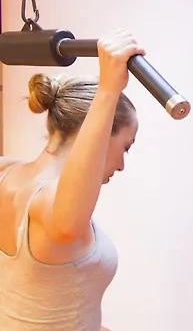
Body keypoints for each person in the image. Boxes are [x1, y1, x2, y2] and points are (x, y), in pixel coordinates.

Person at [0, 29, 146, 330]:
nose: (122, 165)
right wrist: (107, 91)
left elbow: (40, 302)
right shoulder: (52, 209)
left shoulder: (7, 173)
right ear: (100, 131)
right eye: (125, 147)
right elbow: (68, 220)